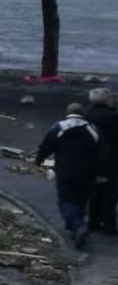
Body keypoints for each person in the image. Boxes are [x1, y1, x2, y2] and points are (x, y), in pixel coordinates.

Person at [36, 102, 105, 248]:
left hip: (65, 170)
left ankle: (77, 226)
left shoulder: (59, 126)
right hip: (87, 172)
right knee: (81, 200)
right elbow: (102, 152)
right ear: (82, 113)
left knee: (65, 200)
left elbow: (47, 146)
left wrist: (39, 160)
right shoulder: (92, 129)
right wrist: (101, 172)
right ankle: (75, 228)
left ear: (67, 113)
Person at [86, 88, 118, 236]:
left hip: (91, 159)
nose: (114, 100)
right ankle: (109, 225)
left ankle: (93, 222)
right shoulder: (112, 117)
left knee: (95, 194)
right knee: (110, 195)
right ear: (105, 100)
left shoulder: (87, 114)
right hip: (110, 160)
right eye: (112, 98)